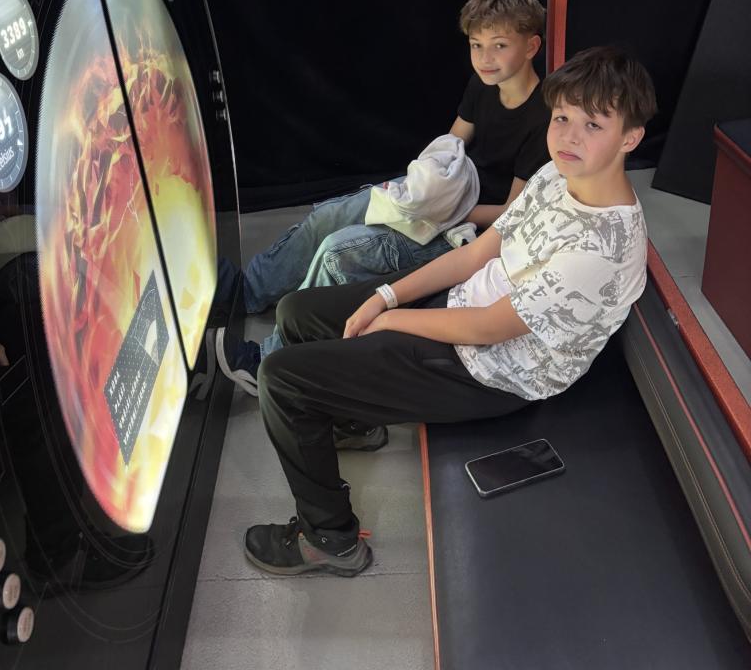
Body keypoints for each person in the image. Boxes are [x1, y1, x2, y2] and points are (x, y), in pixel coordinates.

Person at [242, 45, 656, 576]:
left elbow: (487, 329)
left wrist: (390, 319)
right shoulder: (557, 177)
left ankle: (329, 538)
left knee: (281, 379)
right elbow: (477, 254)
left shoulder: (603, 247)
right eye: (562, 118)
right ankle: (351, 421)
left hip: (492, 371)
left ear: (630, 138)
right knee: (298, 312)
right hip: (465, 306)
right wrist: (386, 297)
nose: (569, 136)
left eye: (593, 125)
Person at [217, 0, 551, 391]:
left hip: (468, 226)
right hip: (443, 194)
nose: (485, 58)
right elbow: (450, 145)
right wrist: (421, 185)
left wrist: (439, 209)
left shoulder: (544, 119)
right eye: (476, 45)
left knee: (338, 252)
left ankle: (267, 362)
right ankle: (249, 290)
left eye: (499, 45)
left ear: (531, 46)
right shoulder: (483, 86)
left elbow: (510, 214)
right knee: (329, 217)